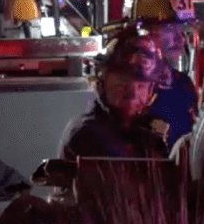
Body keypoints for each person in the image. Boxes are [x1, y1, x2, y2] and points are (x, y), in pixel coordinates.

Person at [59, 26, 170, 162]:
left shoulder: (151, 137)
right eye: (123, 82)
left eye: (141, 85)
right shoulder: (86, 135)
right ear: (102, 82)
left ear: (152, 92)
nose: (132, 93)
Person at [122, 0, 200, 148]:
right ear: (144, 31)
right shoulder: (124, 87)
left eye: (183, 30)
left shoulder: (182, 85)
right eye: (172, 30)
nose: (181, 39)